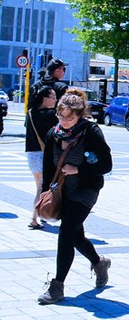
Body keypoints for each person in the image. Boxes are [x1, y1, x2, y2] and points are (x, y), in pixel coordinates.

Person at [37, 88, 113, 305]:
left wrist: (78, 170)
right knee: (75, 236)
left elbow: (106, 165)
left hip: (86, 190)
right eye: (61, 115)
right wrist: (43, 195)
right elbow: (48, 166)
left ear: (80, 115)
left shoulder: (91, 132)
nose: (64, 120)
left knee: (66, 233)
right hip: (62, 191)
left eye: (70, 117)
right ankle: (99, 263)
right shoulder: (54, 133)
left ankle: (57, 286)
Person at [26, 86, 58, 229]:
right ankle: (34, 218)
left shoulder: (31, 112)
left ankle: (41, 214)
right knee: (41, 188)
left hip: (31, 154)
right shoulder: (51, 115)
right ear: (45, 99)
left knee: (39, 186)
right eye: (54, 97)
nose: (56, 100)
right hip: (44, 155)